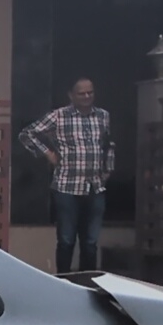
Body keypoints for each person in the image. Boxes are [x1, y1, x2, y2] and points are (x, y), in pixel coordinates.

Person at [19, 78, 113, 273]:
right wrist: (48, 153)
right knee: (66, 240)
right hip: (67, 186)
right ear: (71, 95)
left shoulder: (103, 116)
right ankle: (63, 280)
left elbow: (108, 144)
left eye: (90, 92)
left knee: (90, 242)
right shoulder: (59, 116)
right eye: (82, 93)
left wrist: (108, 169)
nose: (87, 97)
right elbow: (27, 134)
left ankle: (88, 283)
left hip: (95, 186)